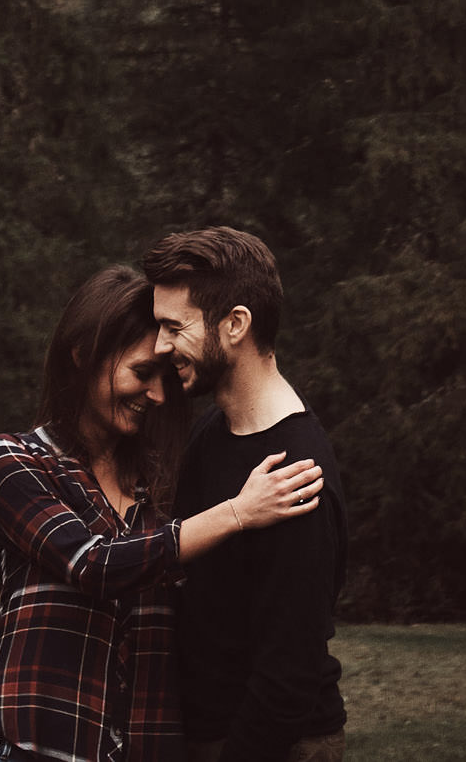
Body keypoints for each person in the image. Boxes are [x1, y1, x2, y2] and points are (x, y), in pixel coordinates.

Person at [0, 265, 326, 762]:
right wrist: (237, 512)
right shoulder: (14, 462)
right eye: (142, 373)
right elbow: (94, 564)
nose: (159, 395)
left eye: (165, 378)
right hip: (19, 744)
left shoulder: (165, 487)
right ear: (84, 356)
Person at [142, 229, 348, 762]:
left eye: (174, 327)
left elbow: (290, 672)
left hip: (270, 744)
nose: (161, 346)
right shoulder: (213, 433)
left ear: (235, 324)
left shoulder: (296, 472)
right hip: (209, 731)